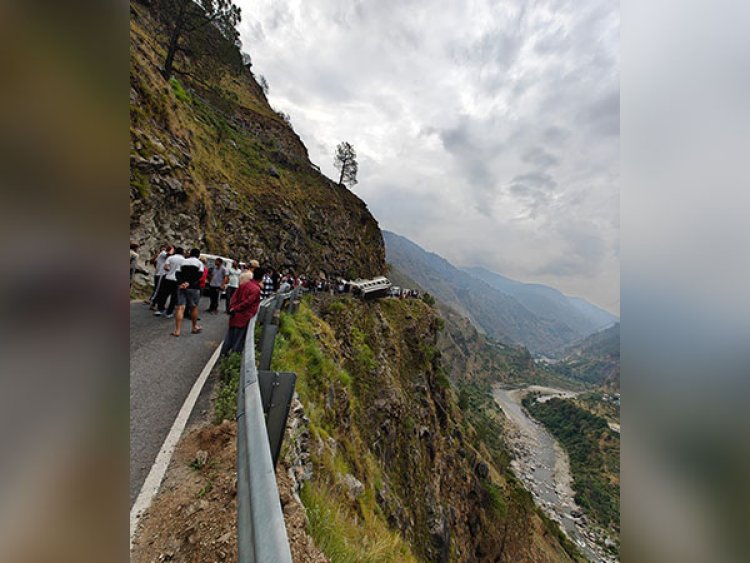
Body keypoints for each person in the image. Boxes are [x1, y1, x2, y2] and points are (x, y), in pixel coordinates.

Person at [220, 267, 263, 355]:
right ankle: (232, 358)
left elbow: (233, 298)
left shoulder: (244, 285)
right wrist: (237, 308)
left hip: (235, 315)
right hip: (244, 317)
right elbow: (248, 303)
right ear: (262, 278)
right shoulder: (256, 289)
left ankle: (223, 355)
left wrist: (232, 308)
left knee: (229, 336)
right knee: (238, 340)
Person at [171, 248, 204, 337]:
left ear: (190, 254)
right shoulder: (199, 263)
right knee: (193, 307)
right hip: (193, 288)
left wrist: (182, 283)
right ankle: (194, 327)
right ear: (198, 255)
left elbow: (177, 273)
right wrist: (189, 283)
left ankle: (177, 331)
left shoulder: (183, 261)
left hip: (182, 287)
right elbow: (199, 276)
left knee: (180, 307)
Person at [155, 247, 184, 317]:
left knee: (164, 295)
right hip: (177, 280)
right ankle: (169, 312)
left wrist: (170, 270)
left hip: (168, 278)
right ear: (182, 252)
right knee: (174, 297)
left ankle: (160, 310)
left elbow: (165, 267)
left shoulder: (170, 258)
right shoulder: (184, 260)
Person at [147, 244, 172, 309]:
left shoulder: (160, 255)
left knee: (159, 290)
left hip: (158, 274)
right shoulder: (163, 253)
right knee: (158, 290)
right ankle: (153, 303)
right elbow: (168, 255)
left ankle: (155, 303)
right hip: (160, 274)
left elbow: (155, 263)